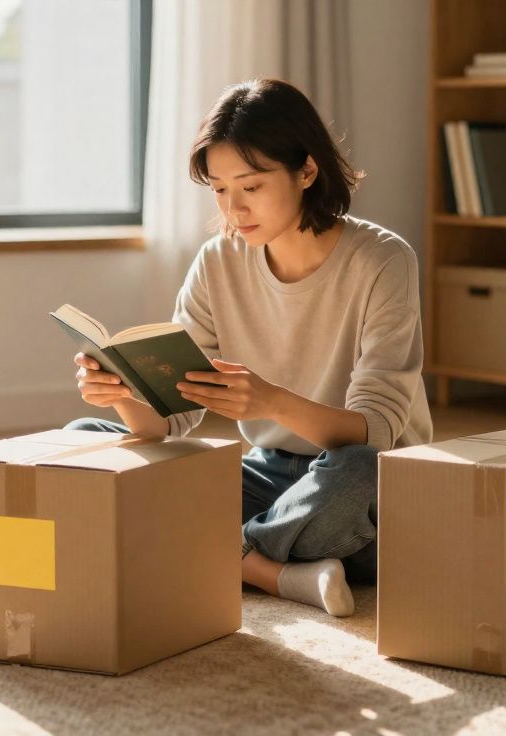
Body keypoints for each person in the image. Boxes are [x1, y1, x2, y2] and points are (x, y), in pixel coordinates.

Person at [65, 78, 432, 617]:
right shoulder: (218, 262)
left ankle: (221, 553)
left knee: (359, 473)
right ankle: (272, 567)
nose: (233, 209)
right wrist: (120, 392)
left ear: (307, 171)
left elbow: (375, 431)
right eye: (218, 189)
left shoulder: (383, 261)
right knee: (89, 441)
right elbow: (170, 419)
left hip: (357, 486)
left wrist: (270, 403)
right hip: (269, 479)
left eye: (251, 186)